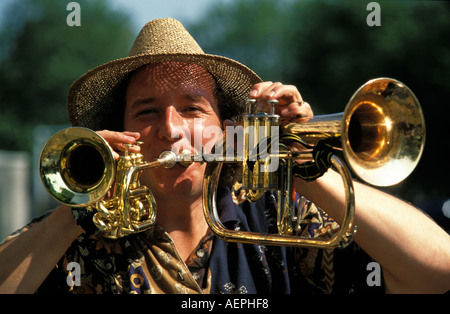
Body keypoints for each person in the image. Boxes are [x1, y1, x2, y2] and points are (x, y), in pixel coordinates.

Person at [0, 18, 449, 294]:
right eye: (147, 112)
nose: (172, 130)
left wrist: (300, 164)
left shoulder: (279, 217)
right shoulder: (79, 237)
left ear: (225, 130)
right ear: (122, 133)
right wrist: (79, 199)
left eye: (193, 109)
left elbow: (437, 272)